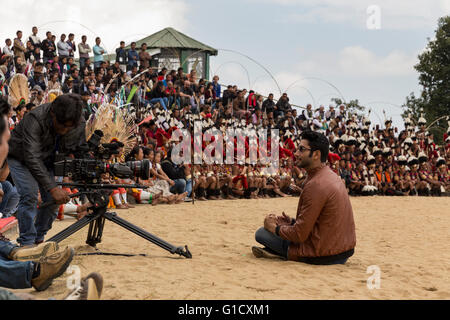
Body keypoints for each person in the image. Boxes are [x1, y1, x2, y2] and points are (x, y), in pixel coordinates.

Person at [253, 131, 356, 265]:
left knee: (261, 233)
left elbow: (300, 235)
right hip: (343, 250)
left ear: (316, 155)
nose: (296, 154)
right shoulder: (330, 176)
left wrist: (274, 228)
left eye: (301, 149)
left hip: (323, 254)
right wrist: (291, 222)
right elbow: (321, 221)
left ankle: (278, 253)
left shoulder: (316, 184)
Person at [7, 94, 86, 247]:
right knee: (29, 195)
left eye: (69, 127)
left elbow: (80, 149)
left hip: (46, 160)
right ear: (52, 114)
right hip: (20, 157)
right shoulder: (34, 119)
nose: (65, 130)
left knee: (52, 202)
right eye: (62, 125)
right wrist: (52, 187)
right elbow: (32, 157)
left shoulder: (78, 122)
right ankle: (27, 243)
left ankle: (38, 238)